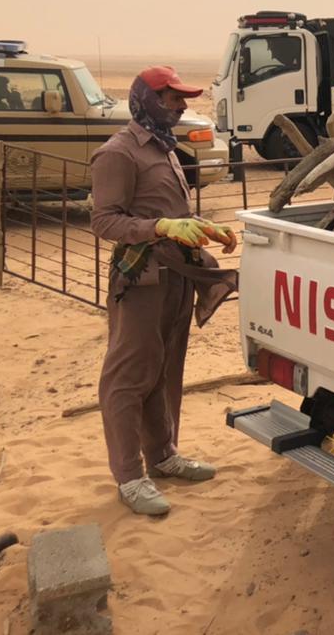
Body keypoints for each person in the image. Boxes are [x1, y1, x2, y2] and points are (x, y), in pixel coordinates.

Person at [90, 65, 240, 516]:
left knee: (165, 369)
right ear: (147, 99)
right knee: (128, 377)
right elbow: (103, 221)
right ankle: (130, 476)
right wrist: (161, 226)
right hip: (141, 281)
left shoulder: (164, 147)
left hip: (175, 278)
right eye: (171, 98)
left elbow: (169, 208)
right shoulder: (118, 153)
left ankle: (162, 455)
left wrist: (199, 226)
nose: (180, 106)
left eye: (181, 99)